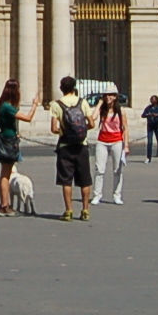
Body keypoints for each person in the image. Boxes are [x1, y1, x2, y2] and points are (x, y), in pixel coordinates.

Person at [50, 76, 93, 221]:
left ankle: (68, 211)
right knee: (85, 180)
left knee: (66, 180)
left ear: (61, 88)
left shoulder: (56, 105)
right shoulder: (83, 102)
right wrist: (81, 130)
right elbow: (92, 123)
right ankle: (85, 210)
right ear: (75, 88)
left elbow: (53, 128)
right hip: (82, 145)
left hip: (65, 145)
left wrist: (65, 131)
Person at [0, 78, 24, 215]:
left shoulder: (2, 105)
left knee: (6, 173)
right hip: (8, 141)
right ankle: (4, 206)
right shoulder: (7, 107)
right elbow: (27, 118)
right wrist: (34, 105)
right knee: (6, 174)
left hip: (7, 139)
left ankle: (5, 205)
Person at [91, 91, 127, 206]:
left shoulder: (120, 111)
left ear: (115, 96)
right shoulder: (102, 109)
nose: (108, 97)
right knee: (99, 169)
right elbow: (93, 118)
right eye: (106, 95)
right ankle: (97, 195)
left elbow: (125, 128)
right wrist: (99, 104)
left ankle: (117, 195)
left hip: (117, 141)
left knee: (117, 170)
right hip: (102, 141)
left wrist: (126, 145)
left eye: (110, 95)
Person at [141, 95, 158, 163]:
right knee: (149, 142)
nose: (152, 101)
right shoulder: (148, 108)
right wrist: (148, 115)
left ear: (156, 100)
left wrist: (157, 115)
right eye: (151, 99)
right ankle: (148, 158)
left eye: (154, 99)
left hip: (156, 126)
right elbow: (143, 115)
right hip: (150, 126)